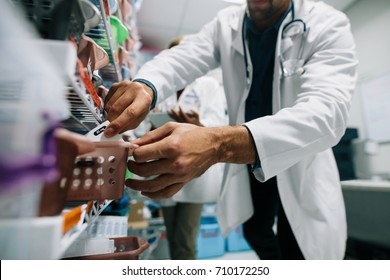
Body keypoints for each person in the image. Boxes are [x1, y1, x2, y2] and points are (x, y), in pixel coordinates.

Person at [103, 0, 358, 260]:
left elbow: (327, 112)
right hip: (252, 166)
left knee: (299, 248)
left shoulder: (327, 23)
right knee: (256, 231)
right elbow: (183, 56)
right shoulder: (227, 23)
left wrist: (218, 144)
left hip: (299, 163)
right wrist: (147, 85)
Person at [152, 36, 228, 260]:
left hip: (194, 173)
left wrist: (197, 126)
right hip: (165, 167)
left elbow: (218, 126)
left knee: (185, 241)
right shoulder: (163, 87)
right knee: (173, 237)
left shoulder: (207, 85)